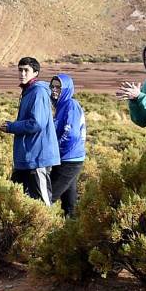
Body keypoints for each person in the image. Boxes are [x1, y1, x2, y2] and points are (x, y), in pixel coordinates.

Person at [0, 57, 60, 205]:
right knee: (15, 199)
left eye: (26, 70)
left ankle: (49, 222)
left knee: (42, 204)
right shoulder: (28, 91)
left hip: (37, 157)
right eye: (20, 70)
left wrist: (12, 127)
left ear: (35, 73)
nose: (22, 73)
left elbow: (36, 123)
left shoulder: (38, 92)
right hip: (27, 157)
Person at [49, 74, 86, 217]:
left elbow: (71, 133)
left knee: (47, 197)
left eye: (58, 87)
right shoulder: (60, 106)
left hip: (69, 160)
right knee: (69, 203)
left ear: (66, 89)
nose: (54, 90)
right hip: (67, 158)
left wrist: (56, 148)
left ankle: (35, 223)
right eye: (52, 86)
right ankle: (71, 225)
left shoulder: (70, 105)